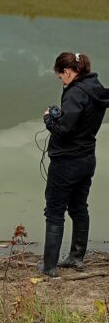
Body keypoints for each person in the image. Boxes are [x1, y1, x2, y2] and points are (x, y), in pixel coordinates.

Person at [40, 51, 109, 277]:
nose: (61, 80)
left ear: (68, 72)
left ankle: (48, 267)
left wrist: (49, 118)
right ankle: (76, 257)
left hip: (66, 162)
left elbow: (64, 129)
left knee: (54, 212)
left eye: (61, 77)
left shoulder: (75, 94)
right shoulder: (96, 87)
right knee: (79, 208)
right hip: (87, 159)